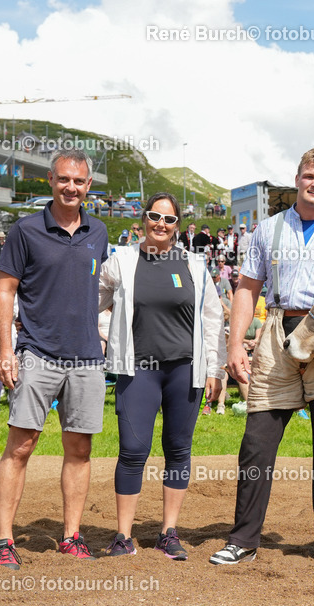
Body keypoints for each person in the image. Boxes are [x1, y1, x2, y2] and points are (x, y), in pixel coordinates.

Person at [210, 148, 314, 567]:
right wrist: (234, 343)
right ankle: (243, 539)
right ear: (297, 180)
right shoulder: (267, 230)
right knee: (257, 443)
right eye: (309, 176)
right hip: (278, 330)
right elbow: (247, 288)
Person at [0, 149, 109, 569]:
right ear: (51, 181)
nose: (71, 187)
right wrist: (7, 351)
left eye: (78, 181)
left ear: (88, 185)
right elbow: (5, 290)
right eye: (63, 180)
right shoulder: (24, 230)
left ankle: (71, 535)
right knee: (21, 446)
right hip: (37, 352)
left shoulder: (99, 231)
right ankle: (4, 540)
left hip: (87, 359)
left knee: (79, 448)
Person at [98, 192, 224, 559]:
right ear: (144, 219)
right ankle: (123, 536)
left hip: (184, 369)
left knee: (178, 450)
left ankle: (169, 532)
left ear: (178, 226)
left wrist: (214, 368)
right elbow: (94, 300)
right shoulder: (121, 261)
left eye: (169, 220)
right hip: (139, 369)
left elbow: (213, 317)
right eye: (155, 216)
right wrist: (102, 332)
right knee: (133, 450)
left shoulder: (195, 266)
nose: (161, 224)